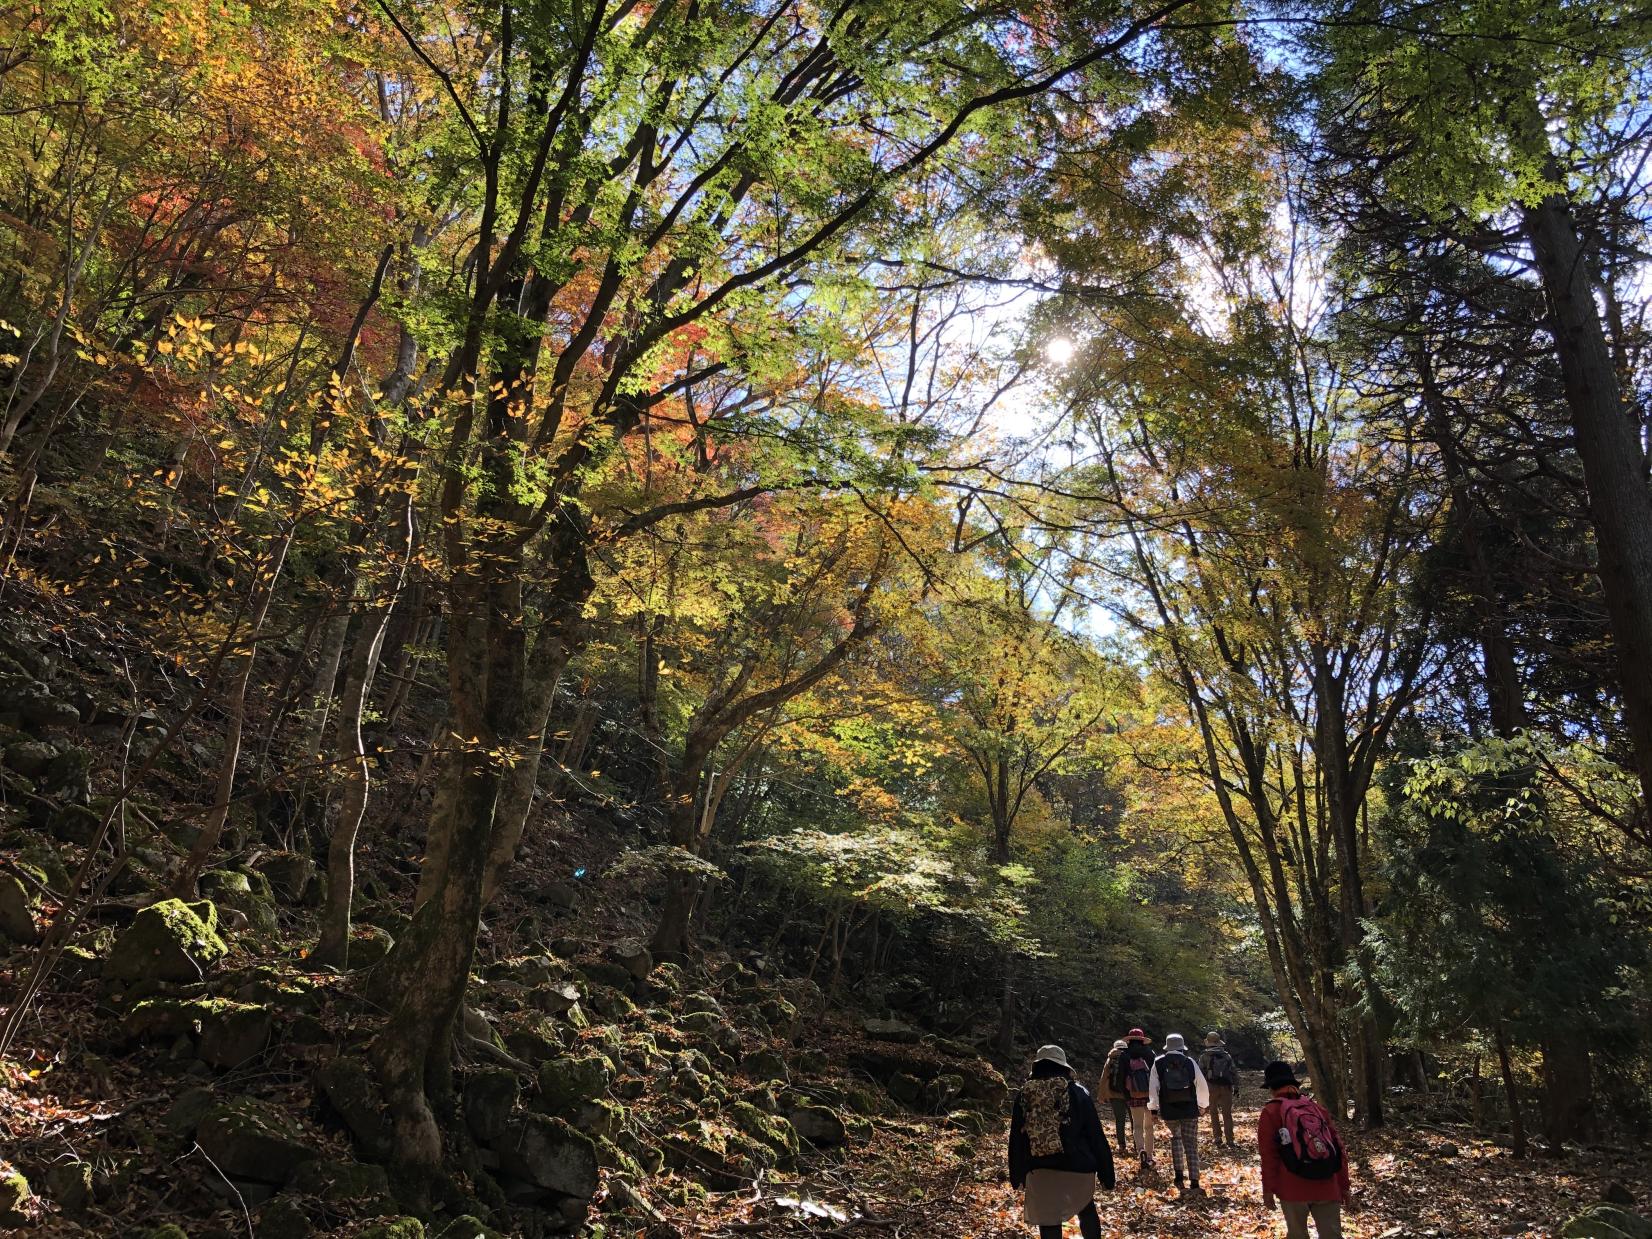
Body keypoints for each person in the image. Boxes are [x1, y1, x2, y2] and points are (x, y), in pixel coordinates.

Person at [1008, 1044, 1115, 1239]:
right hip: (1078, 1167)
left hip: (1040, 1169)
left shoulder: (1025, 1095)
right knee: (1086, 1210)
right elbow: (1095, 1135)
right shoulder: (1078, 1093)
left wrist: (1017, 1174)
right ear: (1064, 1066)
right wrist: (1107, 1175)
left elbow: (1016, 1137)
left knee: (1048, 1219)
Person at [1258, 1061, 1353, 1238]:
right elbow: (1338, 1148)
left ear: (1271, 1087)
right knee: (1332, 1235)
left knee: (1297, 1235)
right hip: (1327, 1182)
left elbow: (1269, 1155)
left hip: (1292, 1186)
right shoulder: (1317, 1109)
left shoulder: (1271, 1111)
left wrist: (1268, 1189)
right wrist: (1344, 1184)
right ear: (1294, 1084)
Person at [1147, 1033, 1210, 1194]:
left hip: (1169, 1109)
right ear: (1182, 1047)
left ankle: (1179, 1177)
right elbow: (1201, 1086)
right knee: (1191, 1143)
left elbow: (1153, 1088)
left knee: (1176, 1140)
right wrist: (1203, 1106)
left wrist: (1153, 1109)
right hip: (1190, 1109)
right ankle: (1195, 1181)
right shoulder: (1189, 1062)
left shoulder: (1158, 1063)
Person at [1109, 1028, 1157, 1168]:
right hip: (1149, 1096)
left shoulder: (1125, 1055)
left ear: (1129, 1040)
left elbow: (1121, 1077)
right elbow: (1156, 1076)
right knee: (1149, 1127)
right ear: (1142, 1040)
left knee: (1137, 1126)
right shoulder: (1150, 1054)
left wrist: (1127, 1095)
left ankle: (1140, 1149)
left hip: (1133, 1095)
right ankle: (1149, 1156)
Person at [1198, 1031, 1238, 1147]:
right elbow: (1234, 1072)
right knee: (1227, 1114)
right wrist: (1237, 1086)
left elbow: (1200, 1073)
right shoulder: (1226, 1055)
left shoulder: (1204, 1056)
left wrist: (1200, 1090)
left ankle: (1218, 1138)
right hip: (1226, 1087)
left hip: (1211, 1087)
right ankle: (1230, 1139)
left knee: (1213, 1112)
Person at [1096, 1038, 1131, 1154]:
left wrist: (1101, 1095)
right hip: (1130, 1093)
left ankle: (1121, 1145)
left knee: (1119, 1120)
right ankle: (1138, 1145)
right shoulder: (1129, 1057)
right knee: (1134, 1120)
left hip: (1114, 1094)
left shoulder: (1110, 1059)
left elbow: (1104, 1078)